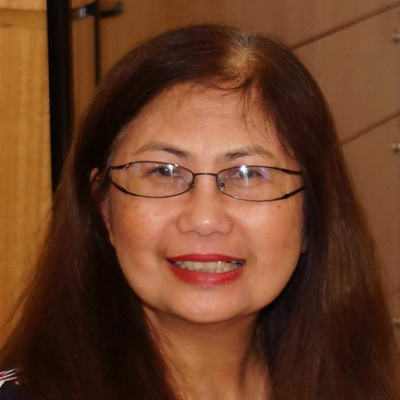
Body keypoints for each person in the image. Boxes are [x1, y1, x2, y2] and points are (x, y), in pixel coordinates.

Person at [0, 24, 398, 400]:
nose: (204, 219)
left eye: (249, 174)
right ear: (104, 206)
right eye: (163, 172)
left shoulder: (353, 382)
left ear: (311, 214)